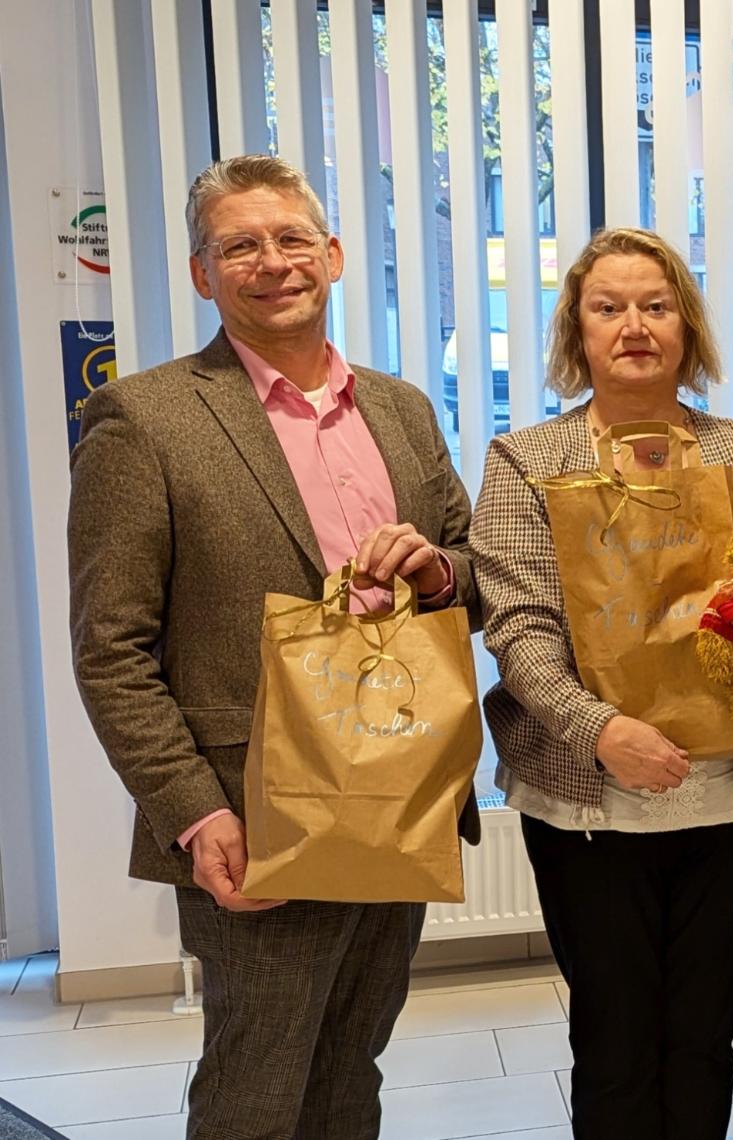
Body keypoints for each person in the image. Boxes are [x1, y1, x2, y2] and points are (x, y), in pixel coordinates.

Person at [66, 154, 479, 1139]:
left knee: (352, 1061)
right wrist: (193, 813)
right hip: (255, 812)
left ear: (332, 256)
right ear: (204, 275)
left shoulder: (402, 408)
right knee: (259, 1078)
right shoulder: (144, 419)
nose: (273, 261)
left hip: (401, 791)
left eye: (292, 238)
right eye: (239, 245)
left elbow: (474, 566)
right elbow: (112, 648)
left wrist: (435, 574)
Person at [471, 227, 733, 1137]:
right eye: (608, 308)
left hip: (727, 797)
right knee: (614, 1041)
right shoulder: (527, 460)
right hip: (587, 804)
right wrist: (599, 728)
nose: (634, 326)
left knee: (701, 1038)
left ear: (686, 325)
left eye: (655, 305)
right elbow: (520, 627)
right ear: (578, 330)